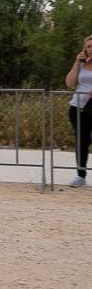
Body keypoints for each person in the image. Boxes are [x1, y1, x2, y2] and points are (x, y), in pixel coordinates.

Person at [65, 34, 92, 187]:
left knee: (88, 139)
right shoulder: (81, 65)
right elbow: (70, 83)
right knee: (82, 141)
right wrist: (77, 62)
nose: (91, 49)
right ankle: (80, 175)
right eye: (88, 46)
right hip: (77, 107)